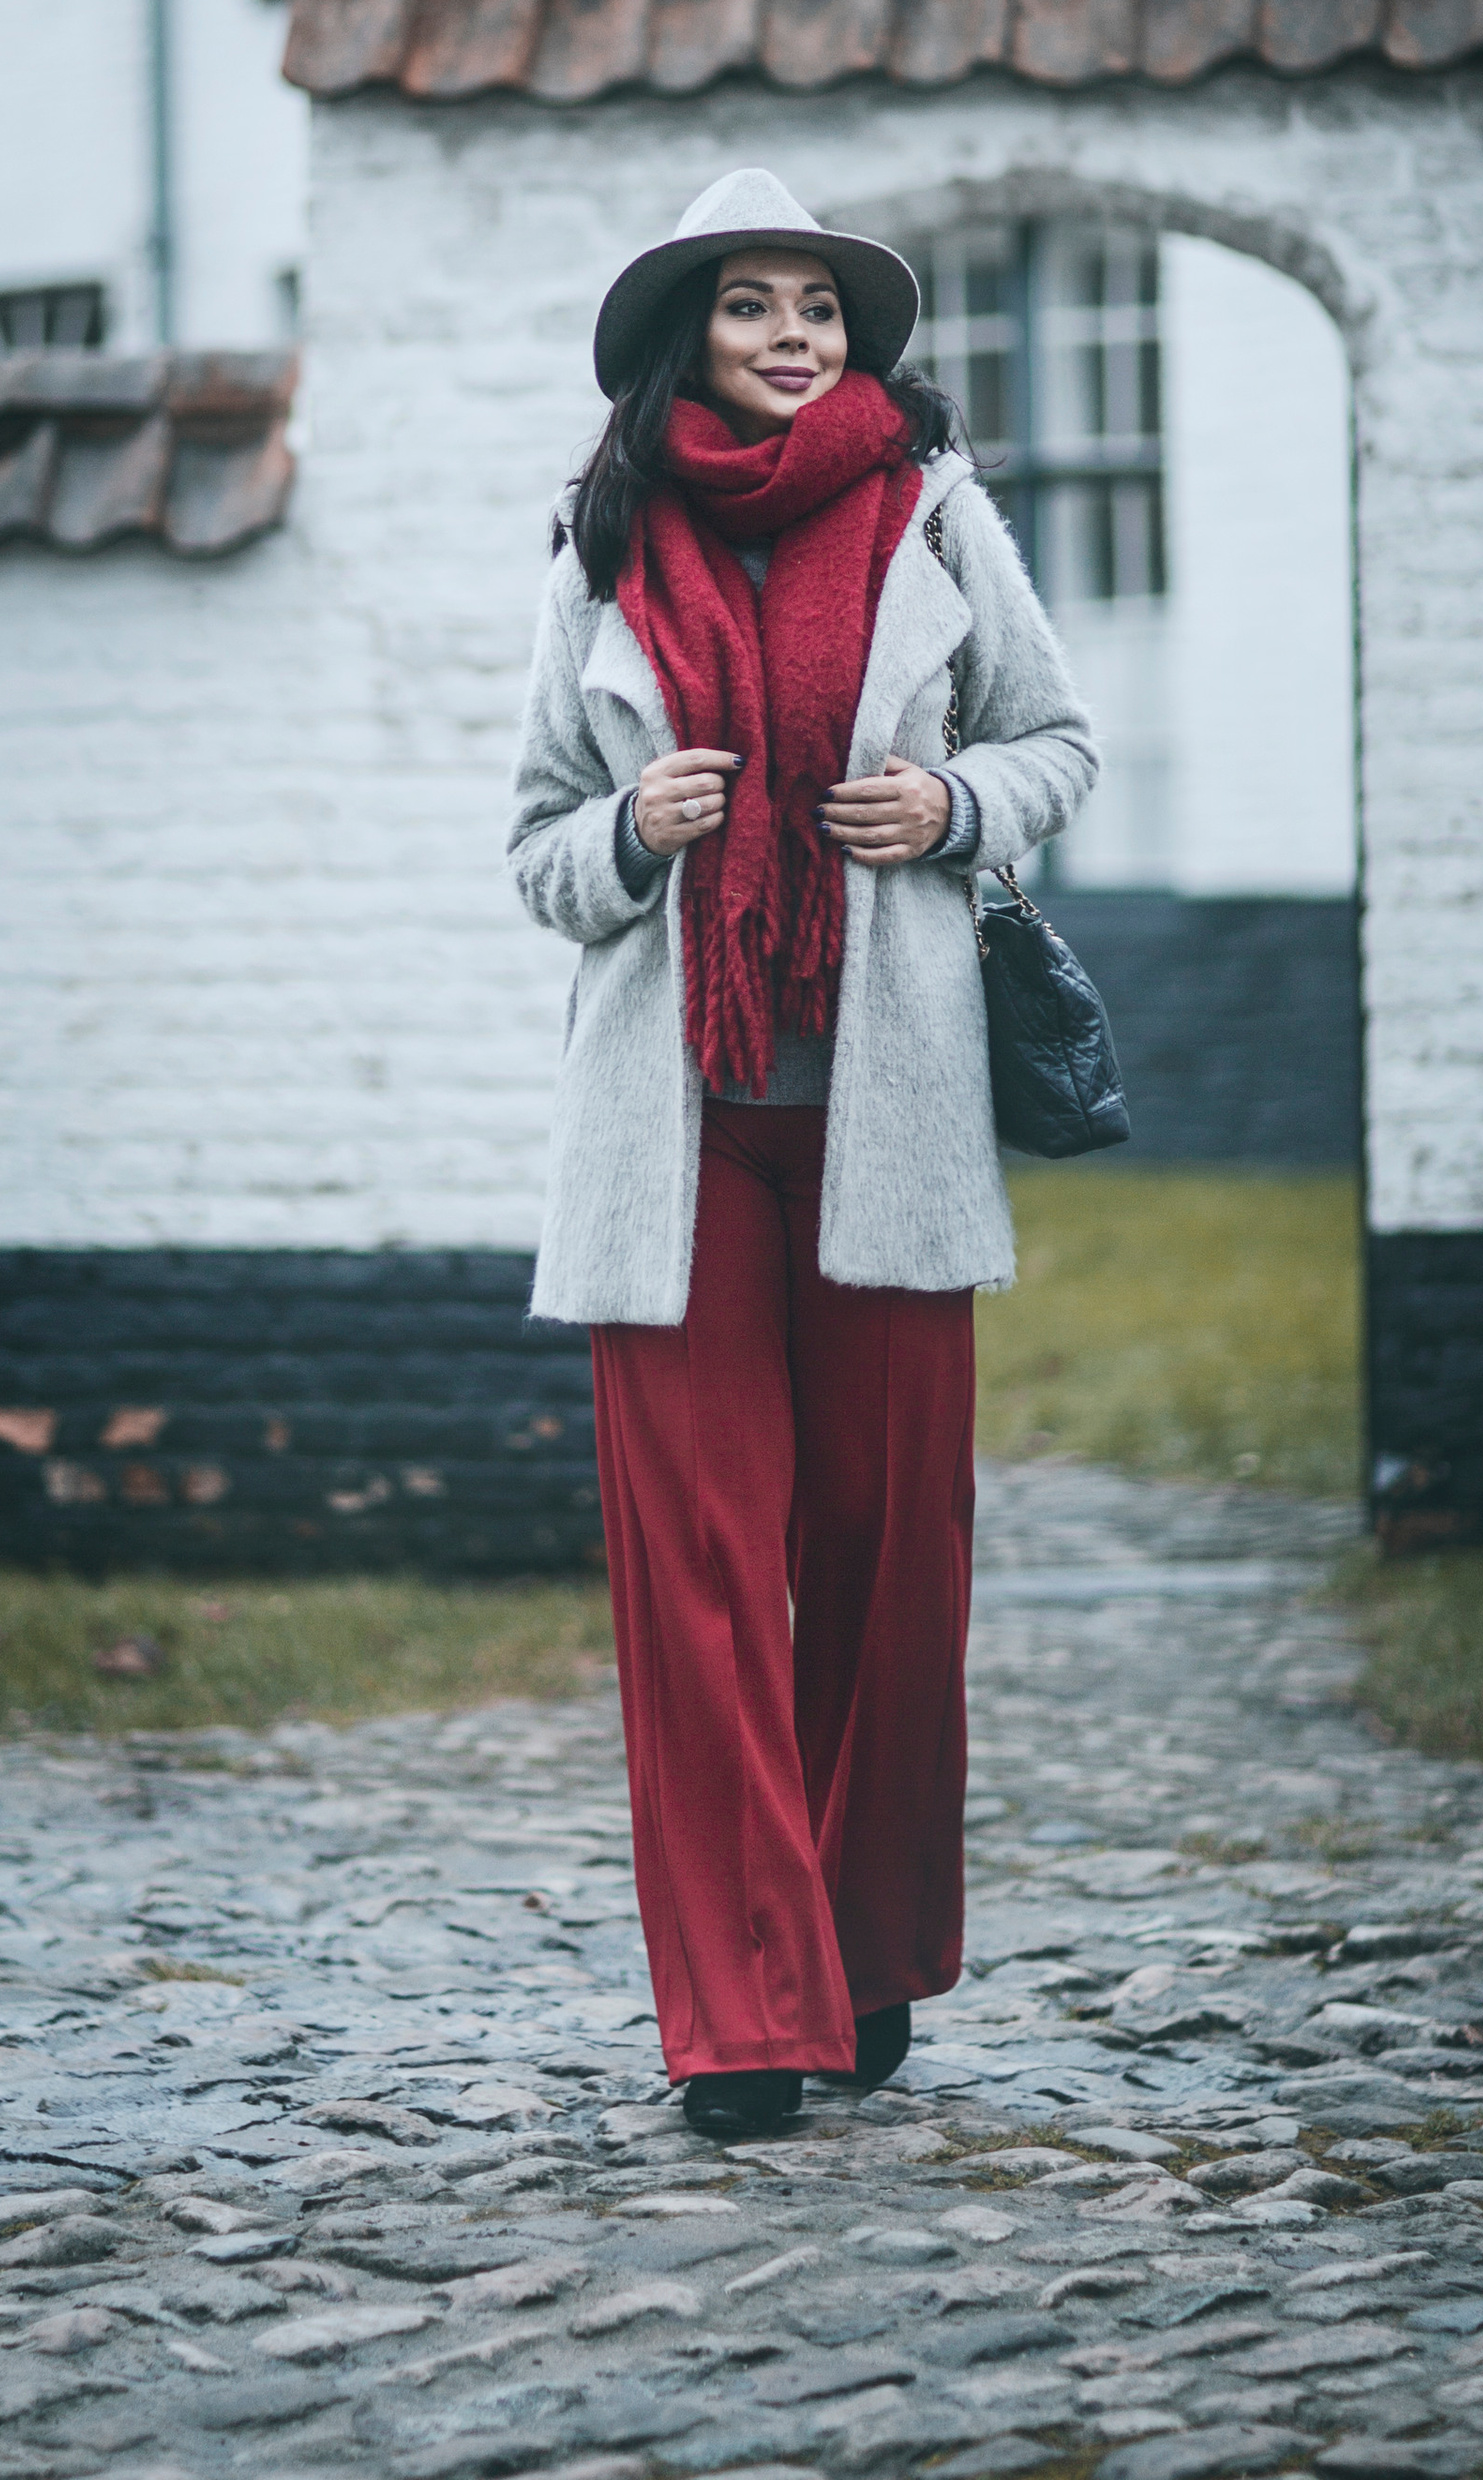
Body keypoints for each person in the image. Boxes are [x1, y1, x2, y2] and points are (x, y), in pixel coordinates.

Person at [508, 167, 1097, 2142]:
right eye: (750, 305)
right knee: (691, 1579)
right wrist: (627, 835)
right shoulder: (598, 547)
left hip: (885, 1123)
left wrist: (941, 804)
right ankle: (736, 2015)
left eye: (817, 308)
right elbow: (530, 842)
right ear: (689, 335)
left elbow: (1053, 747)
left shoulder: (933, 516)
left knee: (884, 1554)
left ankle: (854, 1962)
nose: (790, 335)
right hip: (671, 1143)